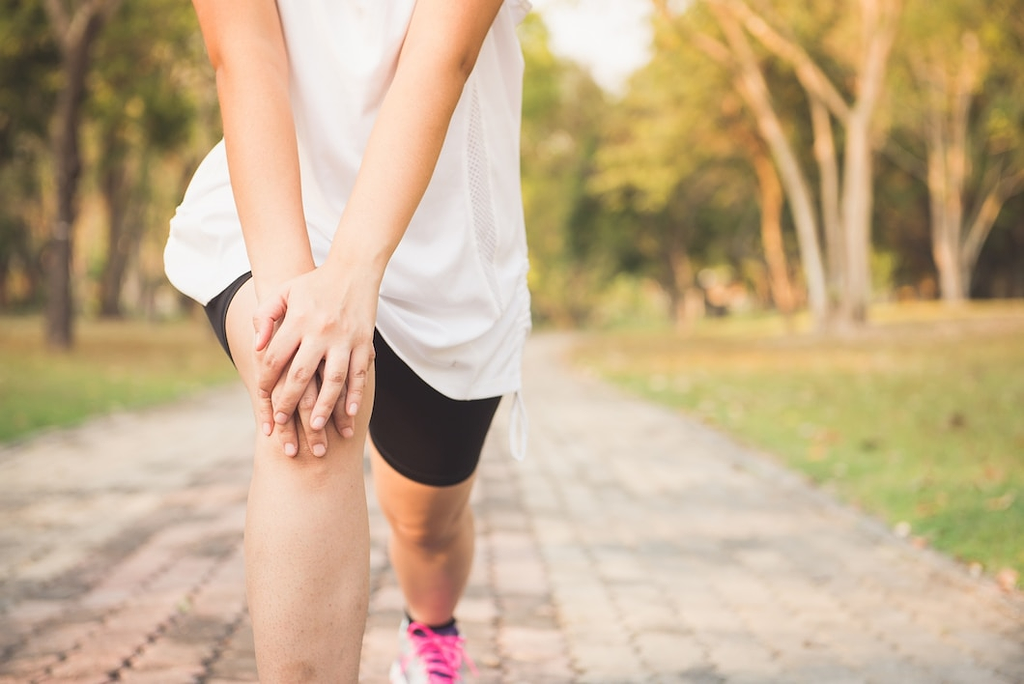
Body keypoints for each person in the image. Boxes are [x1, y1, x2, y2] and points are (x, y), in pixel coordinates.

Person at [163, 1, 533, 682]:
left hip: (443, 247)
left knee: (427, 527)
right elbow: (245, 56)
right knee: (307, 406)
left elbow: (440, 55)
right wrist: (288, 299)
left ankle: (431, 630)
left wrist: (355, 273)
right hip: (277, 202)